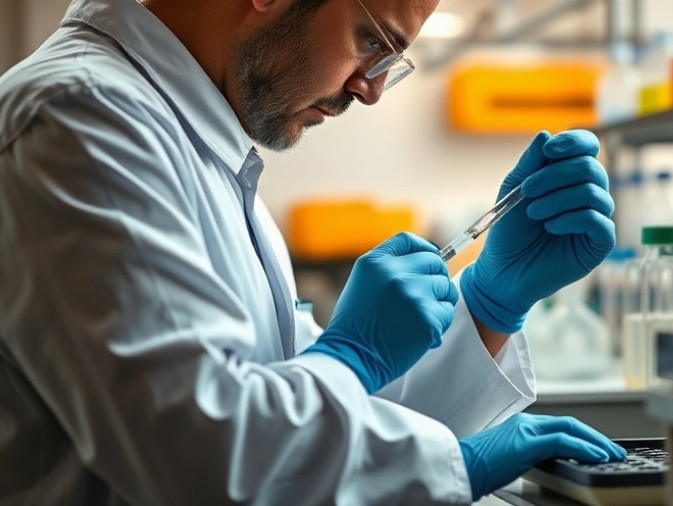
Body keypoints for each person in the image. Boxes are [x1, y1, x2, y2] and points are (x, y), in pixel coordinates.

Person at [0, 0, 620, 504]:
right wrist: (356, 356)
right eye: (373, 40)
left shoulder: (202, 150)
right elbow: (204, 463)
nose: (370, 89)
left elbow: (318, 428)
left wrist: (489, 304)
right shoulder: (80, 119)